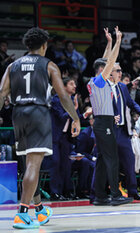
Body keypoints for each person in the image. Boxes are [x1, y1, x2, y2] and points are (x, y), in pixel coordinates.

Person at [0, 27, 80, 229]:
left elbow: (2, 93)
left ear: (28, 45)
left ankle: (39, 209)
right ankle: (22, 214)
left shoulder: (13, 66)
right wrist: (75, 117)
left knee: (29, 164)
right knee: (34, 165)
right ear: (44, 45)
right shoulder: (49, 65)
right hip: (38, 114)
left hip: (18, 115)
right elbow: (63, 96)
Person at [87, 26, 133, 206]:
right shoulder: (99, 80)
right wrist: (119, 41)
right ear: (102, 70)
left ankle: (99, 196)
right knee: (112, 159)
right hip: (103, 123)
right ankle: (115, 195)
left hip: (103, 121)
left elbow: (106, 59)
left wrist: (110, 42)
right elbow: (110, 61)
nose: (113, 69)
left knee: (101, 161)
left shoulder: (95, 80)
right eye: (108, 68)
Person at [106, 59, 140, 200]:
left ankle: (133, 192)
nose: (120, 73)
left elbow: (130, 102)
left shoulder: (122, 87)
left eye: (120, 70)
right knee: (110, 163)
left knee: (130, 161)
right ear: (110, 73)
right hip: (109, 130)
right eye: (118, 70)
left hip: (123, 131)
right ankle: (111, 192)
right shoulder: (104, 87)